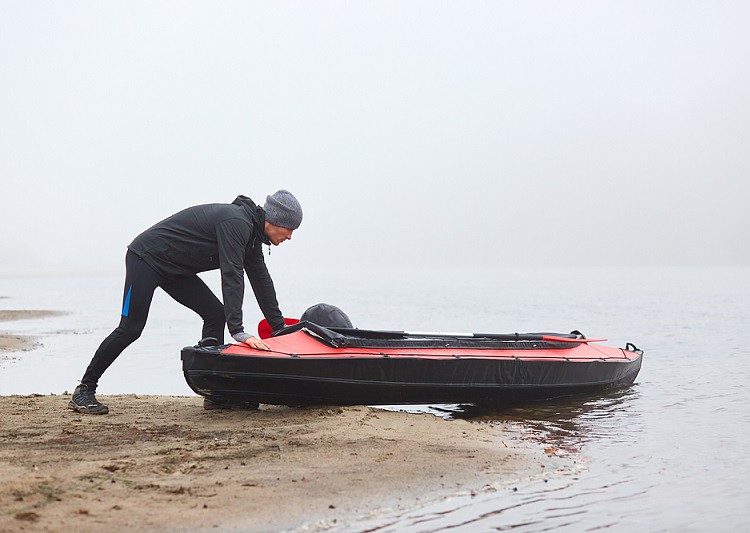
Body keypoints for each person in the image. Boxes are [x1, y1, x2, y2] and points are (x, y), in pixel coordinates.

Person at [68, 190, 303, 415]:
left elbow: (261, 281)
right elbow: (232, 275)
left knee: (215, 314)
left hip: (176, 269)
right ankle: (85, 389)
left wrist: (278, 327)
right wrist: (238, 331)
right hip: (146, 258)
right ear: (273, 220)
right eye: (289, 229)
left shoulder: (252, 238)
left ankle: (215, 393)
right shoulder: (237, 223)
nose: (290, 236)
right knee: (130, 328)